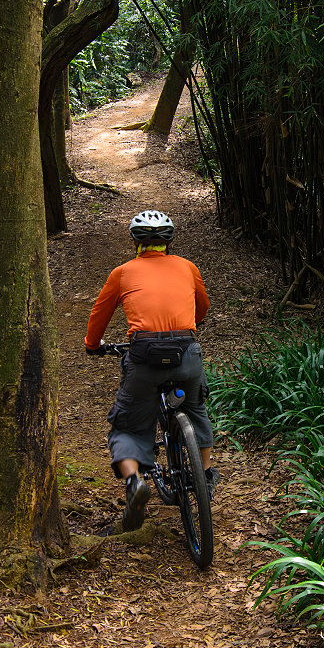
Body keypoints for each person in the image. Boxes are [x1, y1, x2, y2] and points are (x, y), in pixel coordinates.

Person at [84, 210, 219, 531]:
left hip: (144, 357)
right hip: (186, 353)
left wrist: (93, 344)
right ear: (169, 243)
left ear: (135, 242)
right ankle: (204, 473)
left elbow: (99, 312)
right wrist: (191, 323)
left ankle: (134, 483)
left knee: (127, 425)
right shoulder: (188, 267)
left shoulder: (122, 273)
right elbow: (202, 306)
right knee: (196, 406)